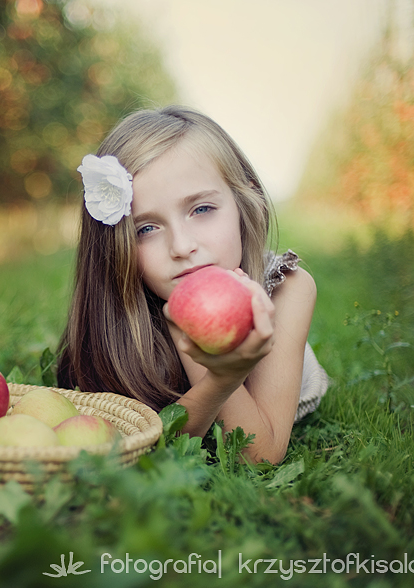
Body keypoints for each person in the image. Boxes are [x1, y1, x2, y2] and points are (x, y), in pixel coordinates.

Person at [56, 105, 329, 464]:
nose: (183, 247)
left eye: (201, 209)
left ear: (245, 201)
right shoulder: (124, 317)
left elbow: (260, 453)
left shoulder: (288, 289)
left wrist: (220, 371)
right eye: (146, 229)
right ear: (117, 248)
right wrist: (220, 377)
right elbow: (154, 449)